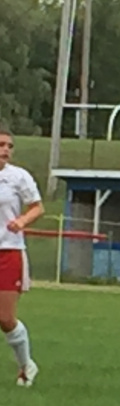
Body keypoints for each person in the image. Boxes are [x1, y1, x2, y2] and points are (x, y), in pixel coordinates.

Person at [0, 126, 44, 386]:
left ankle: (26, 365)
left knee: (5, 318)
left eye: (9, 146)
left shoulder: (18, 177)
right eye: (1, 144)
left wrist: (22, 221)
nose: (6, 150)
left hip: (9, 251)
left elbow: (37, 207)